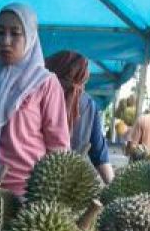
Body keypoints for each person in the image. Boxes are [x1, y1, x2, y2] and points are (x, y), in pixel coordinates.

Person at [0, 4, 70, 195]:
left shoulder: (45, 84)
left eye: (15, 33)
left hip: (26, 196)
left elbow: (59, 148)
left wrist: (53, 199)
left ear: (30, 37)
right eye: (0, 33)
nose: (5, 41)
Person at [46, 50, 114, 184]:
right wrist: (115, 189)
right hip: (70, 185)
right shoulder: (88, 104)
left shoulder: (39, 97)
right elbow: (100, 156)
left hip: (35, 183)